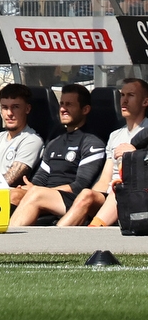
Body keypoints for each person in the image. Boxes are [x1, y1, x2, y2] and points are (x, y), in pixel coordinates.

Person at [9, 85, 106, 226]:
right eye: (61, 104)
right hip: (45, 195)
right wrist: (27, 188)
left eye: (69, 104)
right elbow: (39, 179)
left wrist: (39, 190)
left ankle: (10, 243)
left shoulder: (92, 142)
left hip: (72, 198)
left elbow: (79, 186)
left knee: (36, 194)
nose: (63, 109)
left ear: (85, 109)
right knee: (12, 195)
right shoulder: (54, 143)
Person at [57, 78, 148, 227]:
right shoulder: (115, 135)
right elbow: (105, 178)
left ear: (145, 102)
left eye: (130, 95)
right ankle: (54, 240)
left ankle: (92, 234)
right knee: (86, 194)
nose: (124, 100)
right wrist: (87, 197)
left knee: (117, 191)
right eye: (122, 95)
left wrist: (135, 154)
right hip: (110, 193)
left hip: (134, 193)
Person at [0, 84, 43, 186]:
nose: (9, 113)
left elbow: (9, 180)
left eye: (15, 107)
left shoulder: (32, 140)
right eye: (5, 107)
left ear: (27, 109)